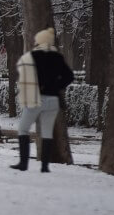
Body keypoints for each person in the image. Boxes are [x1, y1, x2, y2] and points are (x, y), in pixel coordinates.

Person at [12, 27, 74, 172]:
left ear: (39, 41)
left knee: (23, 128)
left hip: (35, 98)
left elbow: (24, 76)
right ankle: (45, 166)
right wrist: (57, 86)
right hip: (53, 100)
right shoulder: (57, 57)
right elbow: (69, 76)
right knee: (47, 131)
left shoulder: (32, 56)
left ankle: (23, 163)